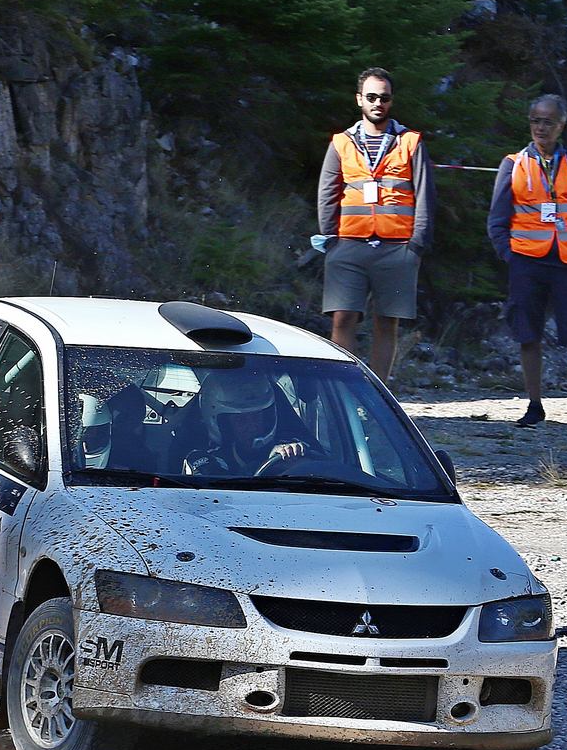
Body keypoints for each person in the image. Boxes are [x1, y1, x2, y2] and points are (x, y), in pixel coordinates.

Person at [486, 93, 567, 433]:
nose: (540, 128)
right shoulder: (513, 164)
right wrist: (509, 255)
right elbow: (497, 219)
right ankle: (534, 406)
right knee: (528, 334)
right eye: (535, 121)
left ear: (561, 125)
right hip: (526, 262)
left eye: (547, 121)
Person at [316, 67, 431, 384]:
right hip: (348, 243)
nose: (377, 102)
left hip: (397, 247)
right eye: (371, 97)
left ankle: (379, 393)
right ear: (359, 100)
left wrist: (416, 244)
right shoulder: (341, 142)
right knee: (342, 318)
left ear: (391, 101)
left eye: (384, 97)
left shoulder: (410, 142)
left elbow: (424, 194)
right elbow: (328, 191)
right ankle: (344, 389)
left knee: (387, 322)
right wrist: (330, 238)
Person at [181, 372, 312, 477]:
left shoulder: (290, 451)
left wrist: (294, 459)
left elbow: (320, 467)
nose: (252, 426)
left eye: (257, 417)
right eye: (241, 420)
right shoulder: (205, 460)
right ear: (224, 425)